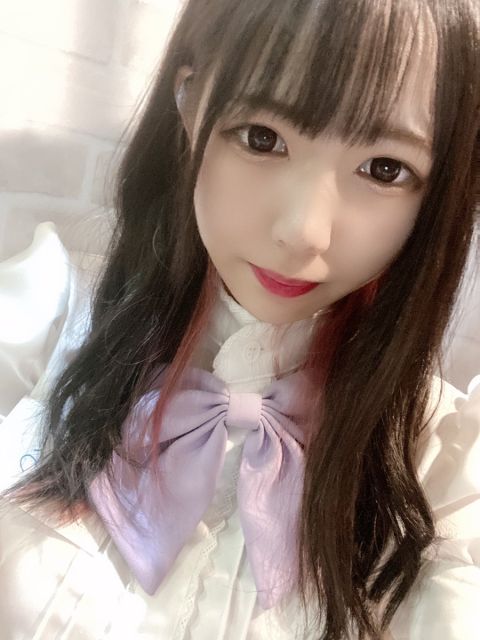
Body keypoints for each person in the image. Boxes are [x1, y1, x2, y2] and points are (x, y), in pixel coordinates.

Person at [1, 0, 479, 637]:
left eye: (384, 169)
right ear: (191, 105)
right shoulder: (47, 319)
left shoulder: (446, 464)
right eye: (262, 137)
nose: (302, 232)